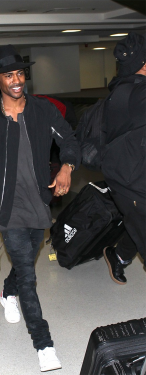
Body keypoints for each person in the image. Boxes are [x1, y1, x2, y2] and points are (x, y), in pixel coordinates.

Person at [0, 44, 80, 372]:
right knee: (29, 276)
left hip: (39, 202)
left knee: (25, 261)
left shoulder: (43, 111)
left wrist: (66, 167)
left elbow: (70, 141)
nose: (16, 79)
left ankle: (6, 291)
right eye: (7, 75)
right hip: (7, 207)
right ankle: (44, 344)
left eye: (19, 73)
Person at [102, 32, 146, 285]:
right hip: (129, 179)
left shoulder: (125, 89)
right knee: (140, 219)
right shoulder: (137, 94)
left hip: (130, 172)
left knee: (139, 221)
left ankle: (118, 255)